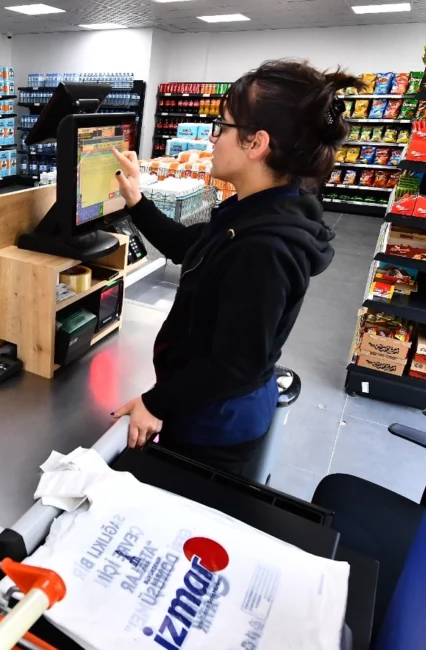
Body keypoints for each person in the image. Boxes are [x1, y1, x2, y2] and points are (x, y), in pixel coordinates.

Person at [111, 60, 354, 476]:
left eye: (221, 127)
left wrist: (157, 403)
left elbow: (234, 364)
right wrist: (136, 201)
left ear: (256, 143)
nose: (213, 139)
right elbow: (191, 246)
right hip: (207, 404)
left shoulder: (264, 248)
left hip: (214, 424)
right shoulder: (256, 209)